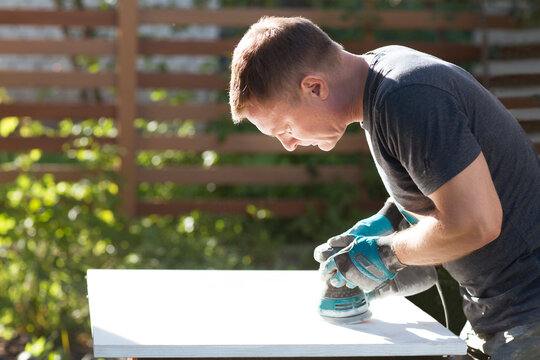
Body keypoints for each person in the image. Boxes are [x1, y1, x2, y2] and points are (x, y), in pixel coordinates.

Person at [228, 16, 540, 359]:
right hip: (502, 308)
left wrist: (388, 252)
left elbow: (476, 223)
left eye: (284, 127)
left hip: (528, 310)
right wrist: (389, 220)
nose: (288, 144)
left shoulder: (406, 97)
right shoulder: (383, 82)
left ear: (315, 88)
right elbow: (441, 179)